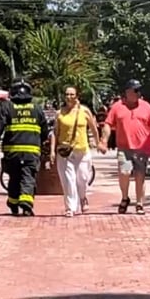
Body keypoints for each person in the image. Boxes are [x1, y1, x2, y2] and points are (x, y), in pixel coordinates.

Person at [0, 78, 50, 216]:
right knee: (28, 177)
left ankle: (14, 203)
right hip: (31, 152)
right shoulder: (37, 108)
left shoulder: (7, 107)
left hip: (12, 153)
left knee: (14, 177)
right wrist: (45, 142)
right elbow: (45, 130)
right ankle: (26, 203)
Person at [99, 79, 150, 215]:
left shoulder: (146, 106)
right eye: (136, 90)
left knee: (140, 175)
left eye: (139, 90)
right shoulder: (117, 107)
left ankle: (139, 203)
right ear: (127, 92)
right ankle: (125, 197)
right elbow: (108, 124)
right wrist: (103, 141)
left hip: (142, 147)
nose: (139, 93)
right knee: (124, 172)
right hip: (124, 147)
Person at [52, 87, 100, 217]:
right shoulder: (59, 113)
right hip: (65, 152)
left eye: (72, 94)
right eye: (67, 94)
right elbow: (55, 133)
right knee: (69, 180)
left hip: (82, 150)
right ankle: (70, 207)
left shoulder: (84, 111)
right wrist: (52, 151)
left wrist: (98, 142)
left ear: (77, 96)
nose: (69, 97)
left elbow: (93, 129)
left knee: (83, 179)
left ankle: (83, 197)